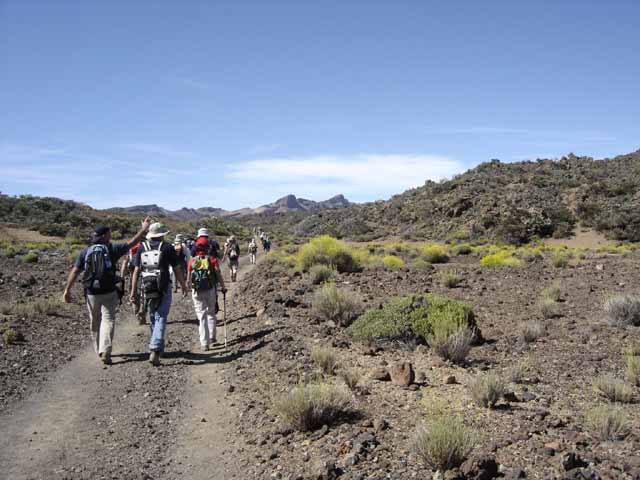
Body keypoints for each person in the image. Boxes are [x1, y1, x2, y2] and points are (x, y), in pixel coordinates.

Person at [62, 217, 151, 365]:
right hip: (109, 291)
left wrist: (67, 289)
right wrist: (144, 228)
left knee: (95, 321)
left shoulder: (85, 252)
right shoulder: (112, 249)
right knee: (108, 319)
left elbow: (75, 271)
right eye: (109, 233)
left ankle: (99, 350)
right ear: (103, 236)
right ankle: (106, 350)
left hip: (91, 292)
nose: (111, 236)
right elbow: (132, 243)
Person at [130, 222, 187, 366]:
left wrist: (133, 291)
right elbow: (176, 268)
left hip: (147, 286)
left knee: (152, 315)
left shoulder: (142, 247)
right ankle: (155, 348)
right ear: (161, 235)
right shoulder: (167, 247)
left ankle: (159, 347)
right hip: (163, 286)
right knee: (161, 316)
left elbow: (136, 270)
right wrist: (183, 285)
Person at [187, 237, 227, 351]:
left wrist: (189, 288)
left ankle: (204, 343)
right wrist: (223, 287)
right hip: (210, 289)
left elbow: (188, 278)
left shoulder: (192, 261)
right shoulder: (212, 259)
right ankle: (212, 337)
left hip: (197, 291)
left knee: (201, 316)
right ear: (207, 247)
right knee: (211, 313)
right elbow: (218, 274)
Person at [120, 242, 145, 324]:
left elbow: (124, 263)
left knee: (133, 294)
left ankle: (137, 313)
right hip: (145, 274)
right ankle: (143, 312)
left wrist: (122, 277)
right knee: (144, 294)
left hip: (132, 274)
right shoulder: (145, 246)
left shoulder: (130, 249)